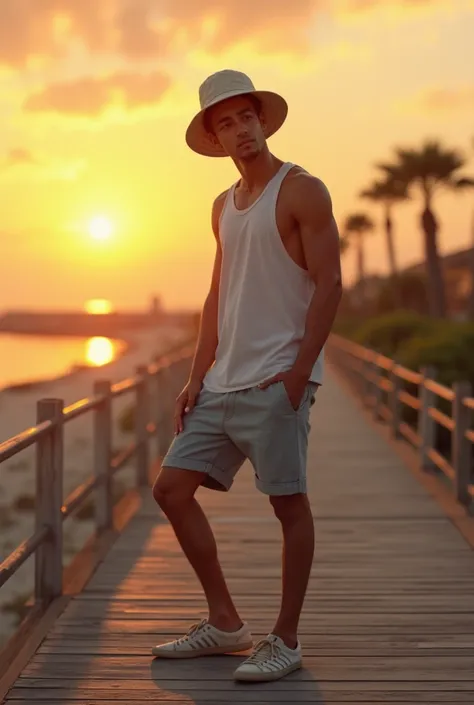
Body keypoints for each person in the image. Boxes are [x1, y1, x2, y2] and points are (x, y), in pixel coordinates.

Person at [151, 69, 342, 682]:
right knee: (170, 490)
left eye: (246, 116)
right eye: (225, 122)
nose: (240, 130)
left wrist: (298, 374)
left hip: (275, 383)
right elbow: (216, 296)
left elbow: (330, 283)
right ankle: (226, 623)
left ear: (263, 119)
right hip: (221, 383)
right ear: (215, 136)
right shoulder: (221, 207)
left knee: (289, 506)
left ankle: (285, 639)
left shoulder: (303, 190)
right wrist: (193, 378)